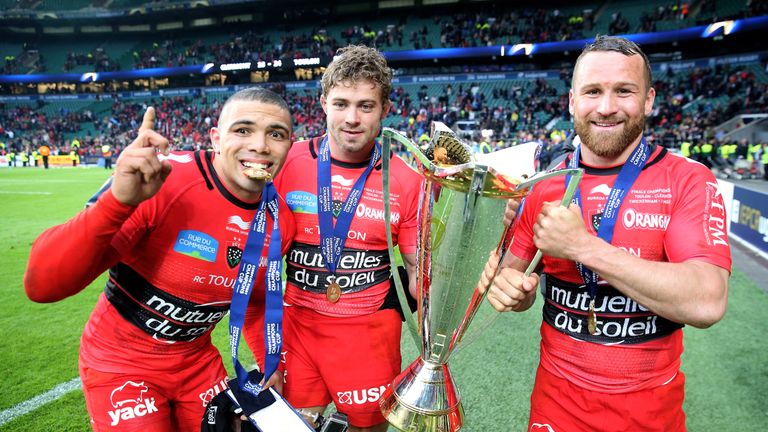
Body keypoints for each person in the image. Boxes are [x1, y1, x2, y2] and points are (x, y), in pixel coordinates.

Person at [481, 35, 731, 432]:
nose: (607, 107)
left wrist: (584, 248)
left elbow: (707, 301)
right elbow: (509, 280)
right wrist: (511, 290)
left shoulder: (687, 180)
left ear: (648, 100)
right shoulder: (544, 184)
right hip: (555, 405)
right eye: (593, 91)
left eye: (624, 91)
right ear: (571, 101)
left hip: (650, 410)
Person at [24, 87, 296, 431]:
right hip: (119, 361)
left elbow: (258, 301)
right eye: (242, 130)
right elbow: (42, 286)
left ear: (289, 144)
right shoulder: (165, 182)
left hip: (196, 363)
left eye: (276, 134)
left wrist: (272, 366)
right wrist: (117, 202)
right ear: (215, 137)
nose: (260, 145)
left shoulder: (280, 220)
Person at [258, 45, 421, 432]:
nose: (351, 118)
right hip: (297, 333)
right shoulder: (288, 162)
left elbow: (419, 272)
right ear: (323, 103)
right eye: (341, 103)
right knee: (295, 427)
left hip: (369, 339)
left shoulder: (407, 180)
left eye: (365, 106)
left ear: (384, 109)